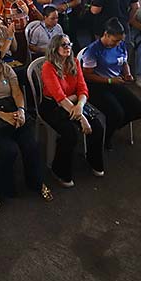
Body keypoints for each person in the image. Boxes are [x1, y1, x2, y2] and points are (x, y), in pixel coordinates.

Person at [0, 41, 50, 214]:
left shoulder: (6, 69)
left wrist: (20, 110)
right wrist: (3, 116)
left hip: (11, 111)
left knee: (31, 144)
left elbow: (17, 92)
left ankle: (36, 181)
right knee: (9, 150)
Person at [39, 34, 105, 186]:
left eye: (69, 44)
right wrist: (82, 118)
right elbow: (59, 97)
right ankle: (59, 169)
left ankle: (93, 160)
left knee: (97, 126)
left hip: (75, 103)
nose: (67, 47)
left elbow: (83, 89)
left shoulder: (74, 62)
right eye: (63, 45)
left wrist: (80, 107)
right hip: (53, 106)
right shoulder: (48, 67)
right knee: (71, 134)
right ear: (55, 48)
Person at [80, 18, 141, 149]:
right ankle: (105, 138)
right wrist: (109, 80)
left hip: (115, 82)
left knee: (139, 110)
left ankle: (112, 127)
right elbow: (86, 75)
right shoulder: (93, 51)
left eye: (120, 40)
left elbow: (124, 62)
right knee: (117, 113)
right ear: (106, 35)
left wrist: (127, 73)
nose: (118, 43)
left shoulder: (120, 45)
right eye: (115, 40)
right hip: (97, 86)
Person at [0, 0, 42, 64]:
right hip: (10, 33)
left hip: (25, 31)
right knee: (15, 55)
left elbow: (33, 10)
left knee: (24, 54)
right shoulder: (1, 1)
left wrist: (43, 21)